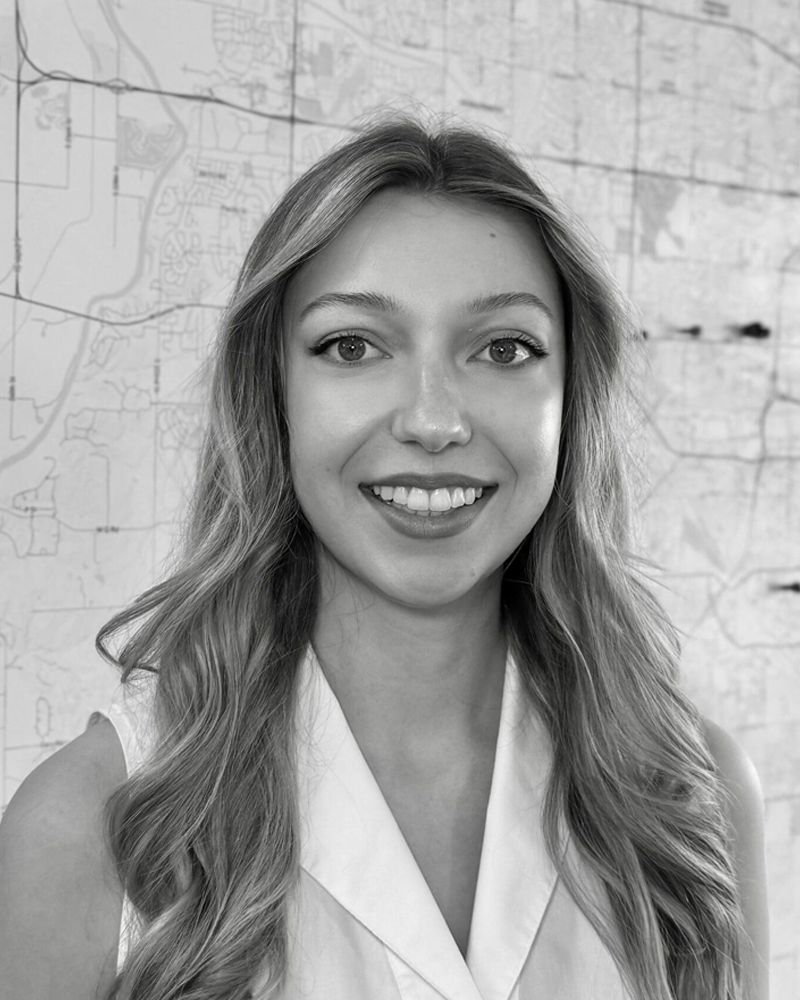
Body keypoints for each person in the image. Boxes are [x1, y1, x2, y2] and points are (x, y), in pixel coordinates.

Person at [0, 115, 768, 1000]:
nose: (434, 422)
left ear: (574, 402)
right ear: (273, 397)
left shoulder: (694, 802)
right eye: (352, 347)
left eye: (504, 348)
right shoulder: (86, 826)